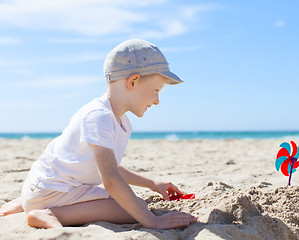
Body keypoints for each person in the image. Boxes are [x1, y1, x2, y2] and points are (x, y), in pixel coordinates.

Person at [0, 39, 197, 229]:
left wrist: (153, 184)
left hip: (49, 185)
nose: (157, 100)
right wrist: (153, 222)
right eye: (156, 90)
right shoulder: (99, 117)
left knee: (128, 200)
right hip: (51, 191)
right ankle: (48, 213)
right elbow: (111, 180)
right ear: (133, 81)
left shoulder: (120, 121)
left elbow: (109, 168)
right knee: (134, 210)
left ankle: (28, 203)